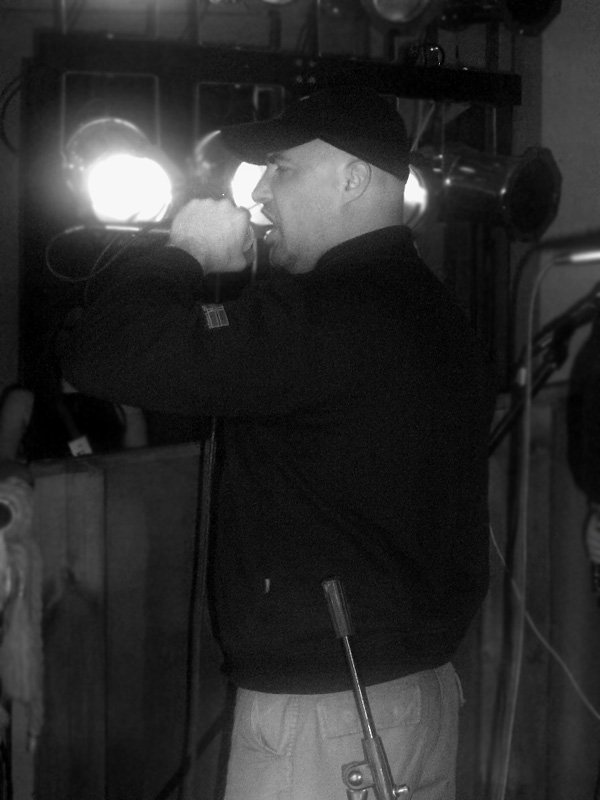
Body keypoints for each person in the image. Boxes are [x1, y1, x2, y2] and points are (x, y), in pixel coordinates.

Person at [57, 86, 496, 800]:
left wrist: (185, 253)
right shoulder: (426, 304)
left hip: (331, 714)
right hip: (407, 693)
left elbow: (106, 354)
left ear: (353, 178)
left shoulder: (333, 315)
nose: (259, 195)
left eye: (282, 169)